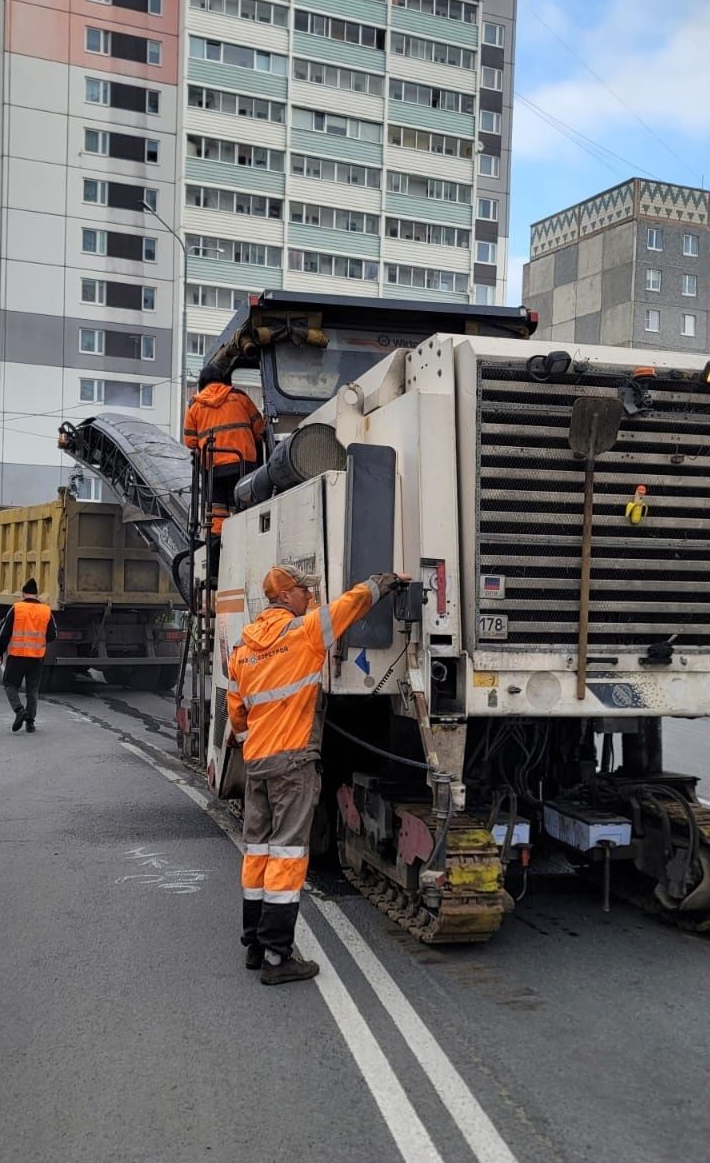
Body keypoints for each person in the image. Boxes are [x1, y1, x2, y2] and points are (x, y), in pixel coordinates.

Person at [228, 563, 407, 985]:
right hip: (292, 762)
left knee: (258, 851)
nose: (310, 597)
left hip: (257, 762)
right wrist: (380, 583)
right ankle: (277, 957)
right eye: (304, 591)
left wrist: (250, 739)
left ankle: (255, 943)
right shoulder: (303, 633)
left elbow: (236, 712)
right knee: (288, 855)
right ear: (287, 596)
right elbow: (349, 606)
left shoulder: (244, 648)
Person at [182, 365, 265, 535]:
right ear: (222, 380)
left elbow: (190, 441)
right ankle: (240, 538)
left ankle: (217, 546)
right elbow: (260, 428)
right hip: (244, 465)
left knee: (217, 512)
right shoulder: (240, 397)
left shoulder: (194, 405)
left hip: (214, 470)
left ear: (202, 383)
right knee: (241, 507)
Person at [0, 577, 56, 733]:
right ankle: (30, 723)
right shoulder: (46, 611)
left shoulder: (16, 608)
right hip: (36, 657)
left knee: (9, 685)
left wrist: (0, 652)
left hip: (17, 656)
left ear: (23, 594)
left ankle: (19, 710)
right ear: (37, 595)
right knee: (32, 690)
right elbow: (52, 635)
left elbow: (4, 633)